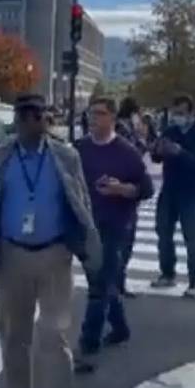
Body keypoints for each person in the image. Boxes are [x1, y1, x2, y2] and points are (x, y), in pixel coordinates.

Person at [0, 93, 101, 388]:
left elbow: (81, 202)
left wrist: (89, 249)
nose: (33, 121)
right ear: (17, 119)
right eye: (27, 115)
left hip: (55, 255)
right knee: (15, 334)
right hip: (11, 255)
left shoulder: (66, 157)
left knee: (53, 333)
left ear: (47, 119)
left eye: (39, 115)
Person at [74, 97, 153, 371]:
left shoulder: (126, 152)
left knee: (99, 284)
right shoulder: (79, 149)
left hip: (117, 225)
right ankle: (120, 328)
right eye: (91, 113)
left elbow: (146, 189)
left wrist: (123, 189)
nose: (94, 118)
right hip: (87, 224)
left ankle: (88, 342)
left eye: (100, 114)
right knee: (106, 281)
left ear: (112, 118)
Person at [150, 94, 195, 297]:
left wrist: (179, 152)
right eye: (175, 113)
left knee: (191, 235)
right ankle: (167, 272)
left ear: (191, 113)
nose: (177, 117)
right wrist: (157, 150)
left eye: (181, 113)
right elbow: (157, 158)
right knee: (163, 230)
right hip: (169, 187)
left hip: (190, 190)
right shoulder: (170, 131)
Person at [114, 95, 148, 298]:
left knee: (124, 238)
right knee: (123, 238)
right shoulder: (125, 129)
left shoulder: (123, 127)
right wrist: (141, 137)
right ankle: (117, 280)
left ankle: (117, 279)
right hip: (124, 186)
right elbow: (135, 153)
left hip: (125, 186)